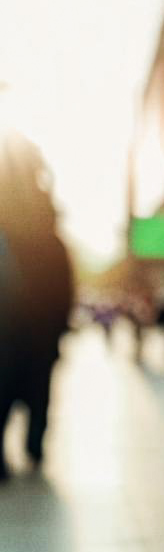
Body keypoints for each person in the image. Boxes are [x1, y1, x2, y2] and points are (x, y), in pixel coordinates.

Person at [0, 127, 74, 479]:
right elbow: (64, 289)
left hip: (14, 323)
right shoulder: (48, 232)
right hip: (35, 325)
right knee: (37, 389)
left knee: (8, 387)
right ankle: (34, 446)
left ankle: (21, 447)